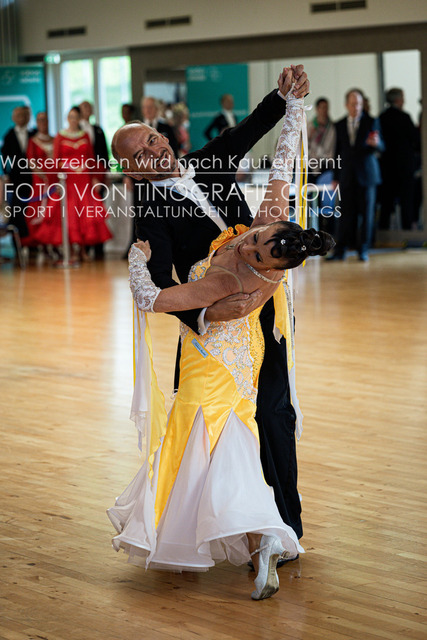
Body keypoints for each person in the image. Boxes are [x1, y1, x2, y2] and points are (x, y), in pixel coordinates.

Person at [108, 70, 334, 600]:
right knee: (218, 428)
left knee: (274, 414)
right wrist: (208, 317)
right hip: (216, 324)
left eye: (154, 138)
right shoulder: (149, 212)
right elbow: (161, 285)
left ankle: (285, 527)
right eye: (141, 153)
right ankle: (241, 530)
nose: (156, 150)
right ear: (132, 170)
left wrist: (285, 96)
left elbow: (253, 127)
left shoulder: (207, 158)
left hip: (267, 308)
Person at [34, 106, 112, 263]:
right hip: (67, 181)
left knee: (84, 214)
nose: (73, 120)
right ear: (67, 118)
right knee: (68, 215)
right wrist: (56, 181)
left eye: (76, 117)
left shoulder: (85, 135)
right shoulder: (60, 136)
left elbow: (91, 158)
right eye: (70, 117)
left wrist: (95, 178)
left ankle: (82, 250)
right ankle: (70, 251)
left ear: (79, 119)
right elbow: (56, 159)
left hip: (83, 180)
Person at [328, 88, 384, 262]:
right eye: (353, 104)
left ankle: (363, 250)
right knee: (345, 214)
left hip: (367, 175)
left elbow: (382, 146)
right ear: (346, 105)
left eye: (359, 104)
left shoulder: (371, 121)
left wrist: (376, 143)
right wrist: (335, 177)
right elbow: (337, 152)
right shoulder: (339, 124)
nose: (356, 107)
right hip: (346, 175)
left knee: (367, 215)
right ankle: (340, 251)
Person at [378, 88, 418, 230]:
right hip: (405, 166)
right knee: (406, 201)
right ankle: (407, 232)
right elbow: (415, 139)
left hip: (387, 166)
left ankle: (383, 232)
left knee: (386, 202)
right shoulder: (404, 117)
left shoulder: (382, 117)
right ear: (397, 100)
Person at [79, 100, 110, 260]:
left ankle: (99, 246)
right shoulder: (75, 131)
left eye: (89, 107)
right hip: (80, 177)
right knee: (82, 211)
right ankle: (84, 247)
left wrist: (105, 174)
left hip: (98, 174)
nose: (86, 110)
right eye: (83, 107)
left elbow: (104, 153)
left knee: (98, 209)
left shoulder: (98, 129)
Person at [1, 106, 34, 242]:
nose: (21, 118)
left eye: (24, 115)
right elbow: (4, 157)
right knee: (17, 210)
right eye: (18, 115)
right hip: (16, 178)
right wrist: (7, 174)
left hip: (32, 177)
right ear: (13, 118)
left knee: (32, 208)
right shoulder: (9, 135)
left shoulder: (33, 133)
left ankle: (32, 242)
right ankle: (19, 243)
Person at [25, 112, 57, 252]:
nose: (43, 123)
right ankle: (41, 243)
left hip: (54, 182)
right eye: (40, 120)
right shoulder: (33, 141)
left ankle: (54, 242)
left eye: (45, 120)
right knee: (39, 210)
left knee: (55, 211)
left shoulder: (55, 139)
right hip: (41, 182)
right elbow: (31, 161)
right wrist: (43, 175)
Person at [307, 97, 336, 227]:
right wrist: (310, 137)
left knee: (328, 198)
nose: (324, 110)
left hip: (326, 166)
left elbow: (330, 149)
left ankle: (329, 226)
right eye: (322, 108)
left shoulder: (332, 127)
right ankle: (314, 226)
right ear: (317, 109)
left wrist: (318, 151)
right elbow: (304, 147)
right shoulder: (310, 125)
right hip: (311, 166)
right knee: (312, 197)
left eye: (326, 108)